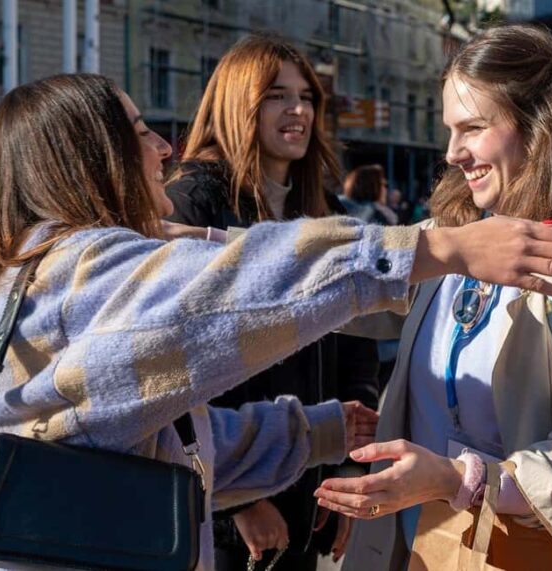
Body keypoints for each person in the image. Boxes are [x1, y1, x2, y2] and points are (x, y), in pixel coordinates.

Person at [0, 73, 552, 571]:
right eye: (140, 130)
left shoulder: (26, 268)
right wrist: (440, 248)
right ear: (88, 154)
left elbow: (145, 443)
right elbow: (239, 289)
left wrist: (314, 431)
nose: (162, 147)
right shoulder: (80, 270)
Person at [315, 24, 552, 571]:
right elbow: (340, 284)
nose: (451, 152)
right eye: (449, 129)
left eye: (473, 128)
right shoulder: (451, 240)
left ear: (539, 130)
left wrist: (456, 479)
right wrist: (199, 245)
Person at [165, 34, 380, 568]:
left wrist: (348, 468)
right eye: (277, 95)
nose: (298, 110)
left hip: (310, 487)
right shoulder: (195, 199)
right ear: (240, 103)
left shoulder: (320, 205)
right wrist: (238, 499)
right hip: (228, 504)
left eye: (307, 96)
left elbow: (356, 343)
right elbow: (173, 363)